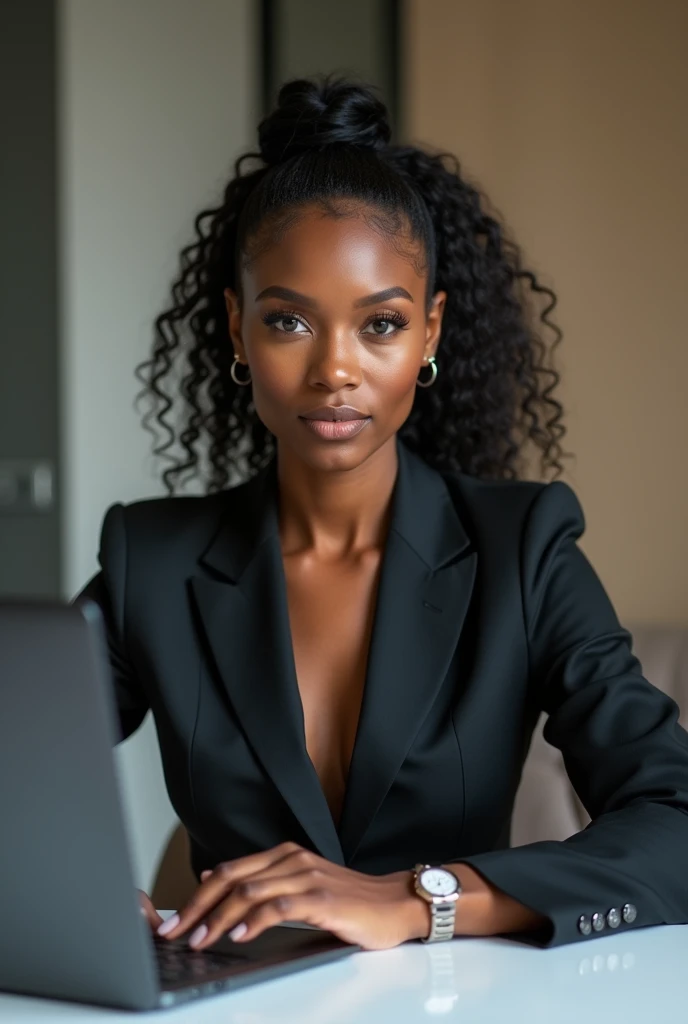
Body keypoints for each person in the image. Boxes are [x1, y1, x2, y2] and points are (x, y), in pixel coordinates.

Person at [73, 74, 688, 954]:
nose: (335, 370)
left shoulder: (523, 550)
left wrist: (415, 900)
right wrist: (74, 890)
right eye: (289, 323)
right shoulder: (153, 564)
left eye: (381, 324)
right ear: (237, 328)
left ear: (430, 334)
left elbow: (676, 821)